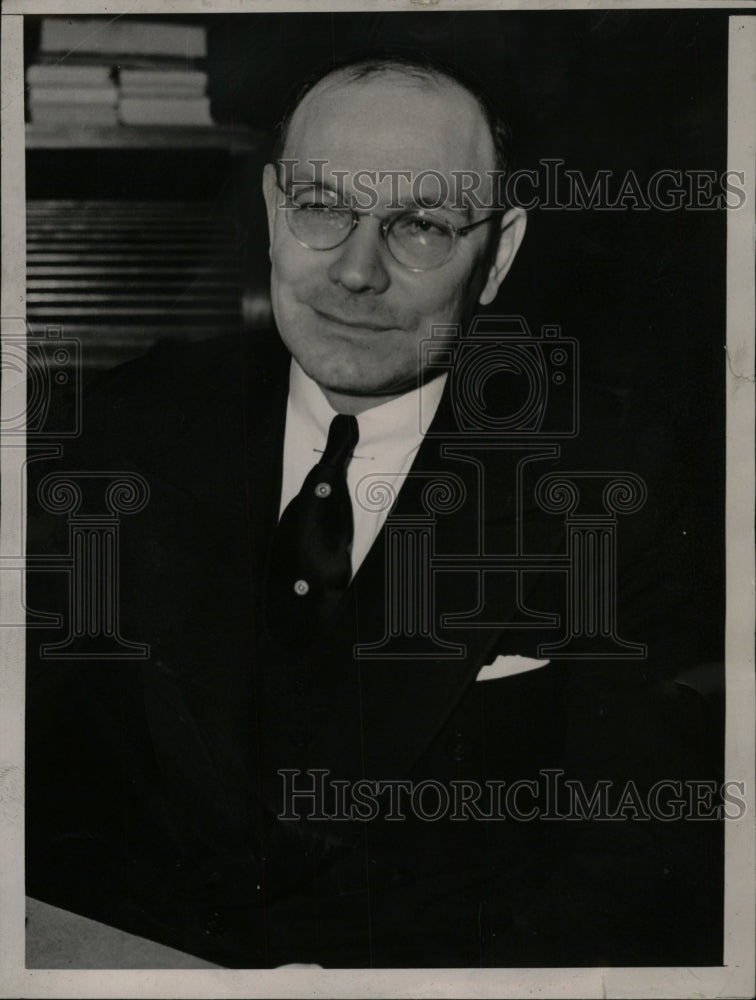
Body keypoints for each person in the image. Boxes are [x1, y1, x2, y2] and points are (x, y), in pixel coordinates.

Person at [25, 53, 722, 969]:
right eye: (322, 208)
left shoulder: (625, 491)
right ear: (275, 210)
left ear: (500, 253)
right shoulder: (113, 432)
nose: (357, 272)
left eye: (421, 225)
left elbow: (628, 889)